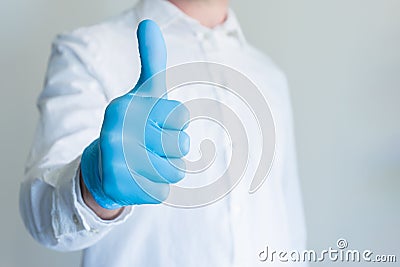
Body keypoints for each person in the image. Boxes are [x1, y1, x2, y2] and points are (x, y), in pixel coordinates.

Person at [20, 0, 306, 266]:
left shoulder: (270, 76)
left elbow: (289, 223)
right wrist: (93, 187)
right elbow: (43, 218)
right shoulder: (87, 53)